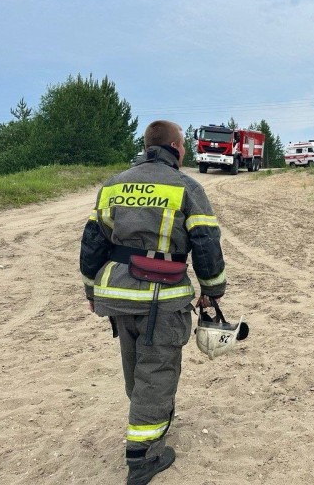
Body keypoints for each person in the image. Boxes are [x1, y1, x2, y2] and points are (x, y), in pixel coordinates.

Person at [80, 120, 228, 484]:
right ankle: (143, 458)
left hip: (116, 295)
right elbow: (206, 242)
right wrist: (213, 290)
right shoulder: (186, 187)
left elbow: (92, 242)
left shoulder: (114, 185)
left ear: (147, 146)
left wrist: (90, 290)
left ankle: (148, 416)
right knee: (157, 373)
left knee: (137, 368)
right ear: (177, 147)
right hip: (160, 297)